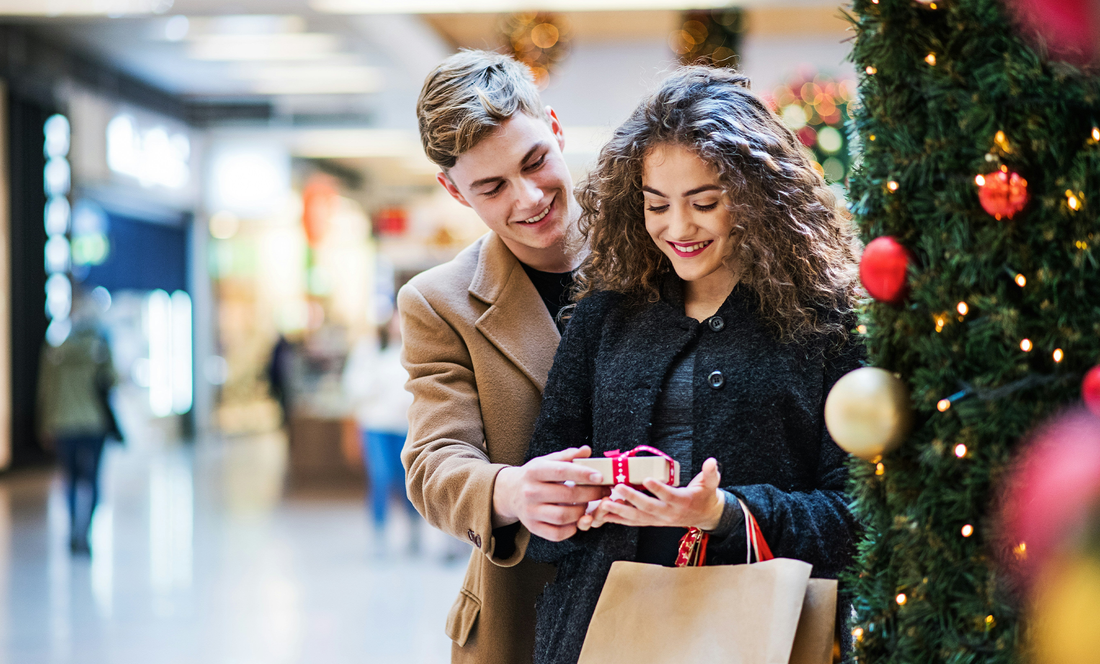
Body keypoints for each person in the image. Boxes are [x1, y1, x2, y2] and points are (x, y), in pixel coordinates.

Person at [522, 66, 865, 664]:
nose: (677, 228)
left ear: (759, 197)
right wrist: (564, 501)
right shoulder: (605, 315)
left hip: (764, 631)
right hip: (605, 628)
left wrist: (728, 512)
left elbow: (858, 514)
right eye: (657, 205)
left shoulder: (827, 320)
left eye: (704, 203)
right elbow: (545, 496)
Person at [398, 50, 610, 664]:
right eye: (491, 187)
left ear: (555, 125)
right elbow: (435, 462)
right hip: (525, 615)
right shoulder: (437, 303)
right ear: (454, 191)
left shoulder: (655, 248)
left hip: (668, 589)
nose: (529, 198)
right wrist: (511, 491)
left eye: (536, 161)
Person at [37, 288, 118, 556]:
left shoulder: (55, 352)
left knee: (70, 479)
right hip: (93, 422)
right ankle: (85, 531)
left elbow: (45, 391)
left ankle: (73, 527)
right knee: (93, 480)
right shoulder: (98, 348)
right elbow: (113, 380)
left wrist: (44, 424)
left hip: (63, 423)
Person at [342, 314, 420, 554]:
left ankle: (413, 533)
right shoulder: (368, 350)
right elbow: (353, 386)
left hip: (406, 427)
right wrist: (375, 384)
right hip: (376, 426)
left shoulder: (415, 348)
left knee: (408, 481)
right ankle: (380, 535)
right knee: (381, 477)